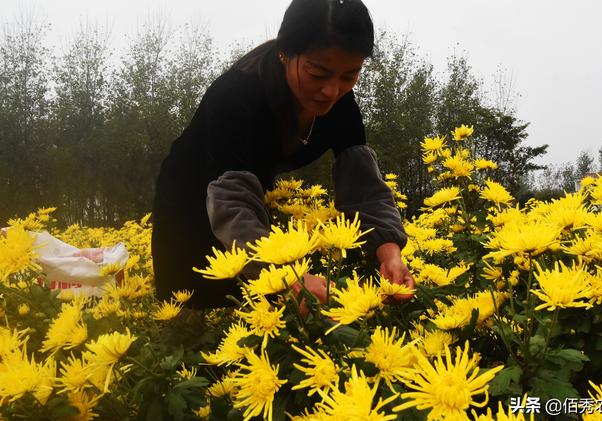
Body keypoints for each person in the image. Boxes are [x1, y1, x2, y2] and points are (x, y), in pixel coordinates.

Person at [151, 0, 415, 310]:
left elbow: (364, 188)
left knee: (268, 306)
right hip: (191, 198)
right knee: (196, 304)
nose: (332, 91)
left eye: (349, 75)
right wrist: (289, 277)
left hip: (247, 203)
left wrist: (390, 253)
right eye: (318, 74)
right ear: (285, 53)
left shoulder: (342, 106)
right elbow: (231, 199)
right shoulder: (235, 96)